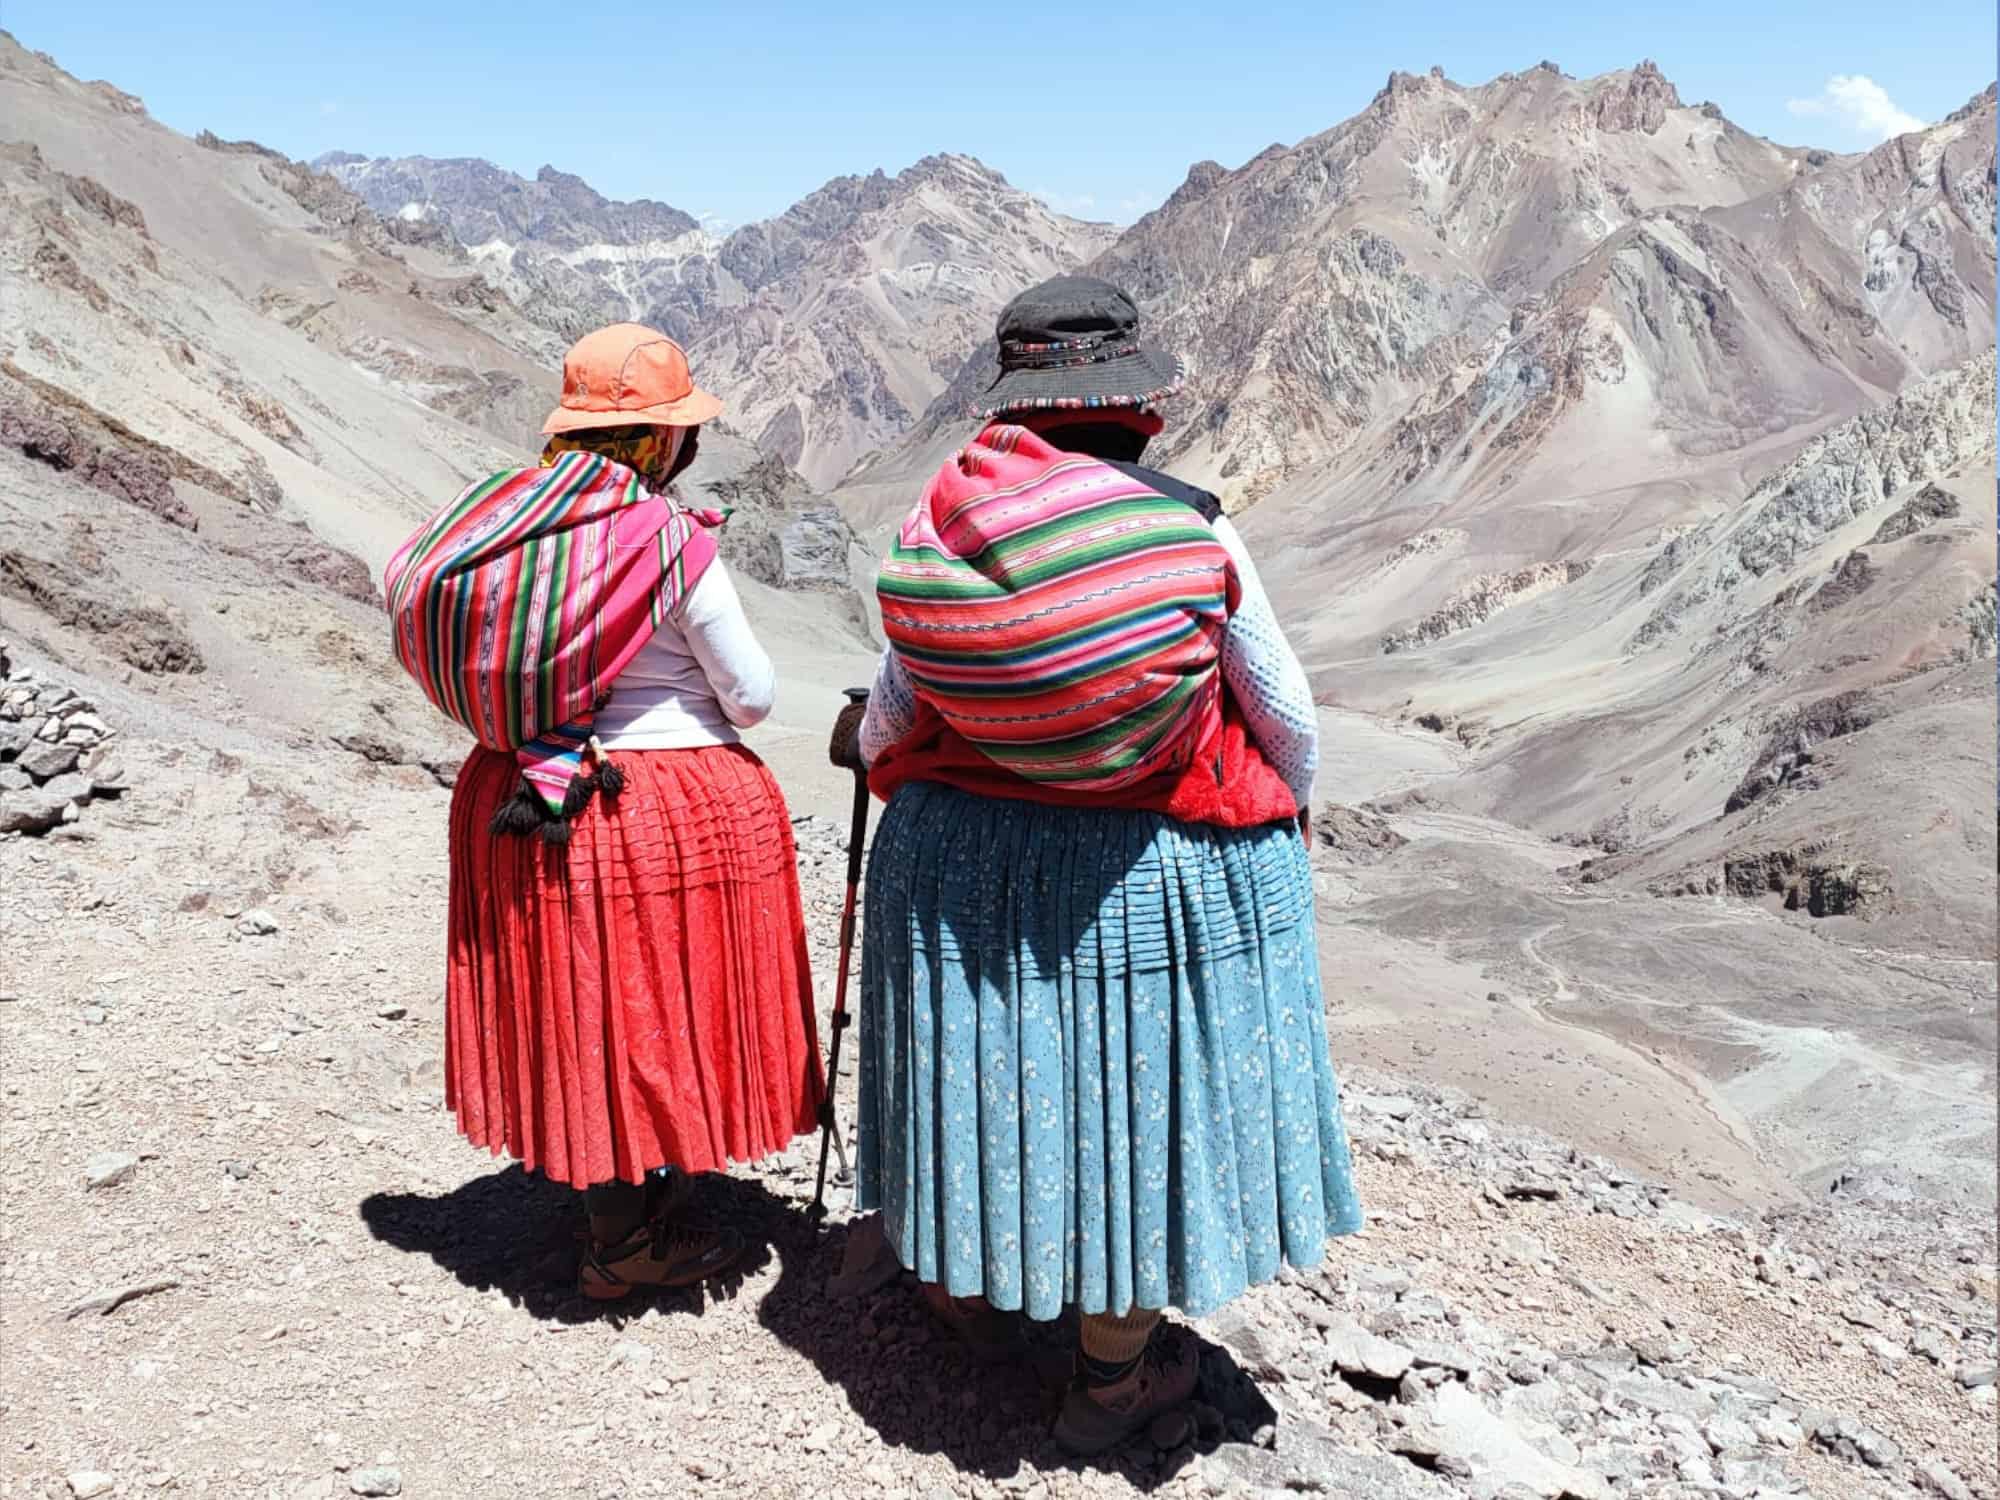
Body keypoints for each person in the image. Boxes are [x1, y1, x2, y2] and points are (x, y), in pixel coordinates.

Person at [831, 276, 1364, 1454]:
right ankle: (1110, 1379)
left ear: (1013, 405)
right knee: (1134, 1101)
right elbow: (1282, 709)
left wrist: (879, 766)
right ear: (1137, 403)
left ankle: (961, 1289)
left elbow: (891, 708)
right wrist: (1292, 812)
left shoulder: (944, 523)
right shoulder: (1191, 523)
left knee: (984, 1072)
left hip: (960, 863)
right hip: (1145, 865)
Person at [387, 323, 822, 1299]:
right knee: (652, 1000)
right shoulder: (665, 538)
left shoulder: (505, 526)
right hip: (653, 806)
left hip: (523, 797)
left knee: (584, 998)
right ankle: (625, 1244)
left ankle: (615, 1194)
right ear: (663, 440)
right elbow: (749, 697)